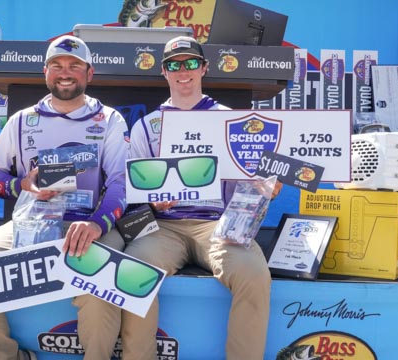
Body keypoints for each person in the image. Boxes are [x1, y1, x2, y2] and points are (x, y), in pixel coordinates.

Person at [88, 35, 281, 359]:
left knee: (254, 274)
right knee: (132, 271)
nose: (183, 71)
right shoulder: (148, 126)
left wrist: (266, 189)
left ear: (204, 68)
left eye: (191, 63)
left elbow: (251, 181)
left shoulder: (231, 120)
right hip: (164, 227)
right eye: (174, 65)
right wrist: (150, 202)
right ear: (164, 72)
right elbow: (132, 191)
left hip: (217, 225)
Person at [0, 35, 129, 360]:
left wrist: (96, 225)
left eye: (74, 66)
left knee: (100, 289)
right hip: (31, 222)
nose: (65, 73)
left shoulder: (109, 120)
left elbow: (122, 184)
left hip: (88, 224)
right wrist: (21, 186)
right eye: (57, 65)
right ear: (45, 72)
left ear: (89, 73)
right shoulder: (23, 120)